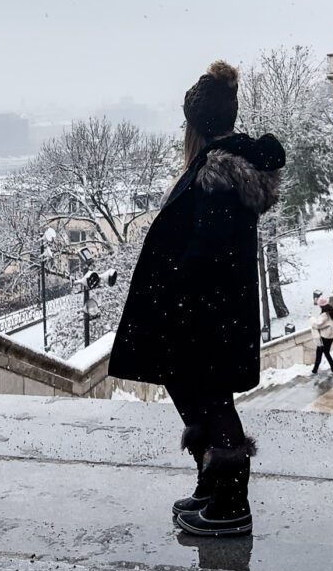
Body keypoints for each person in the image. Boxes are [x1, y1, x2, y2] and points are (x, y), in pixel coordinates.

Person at [109, 60, 285, 538]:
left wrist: (173, 295)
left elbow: (206, 251)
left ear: (197, 124)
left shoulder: (217, 174)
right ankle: (213, 486)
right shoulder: (219, 168)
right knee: (200, 397)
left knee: (210, 401)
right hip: (207, 314)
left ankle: (231, 506)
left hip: (203, 316)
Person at [310, 295, 333, 375]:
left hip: (325, 337)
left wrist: (311, 318)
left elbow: (317, 324)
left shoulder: (325, 315)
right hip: (331, 336)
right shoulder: (331, 311)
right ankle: (332, 369)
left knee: (319, 353)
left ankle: (315, 370)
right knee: (326, 352)